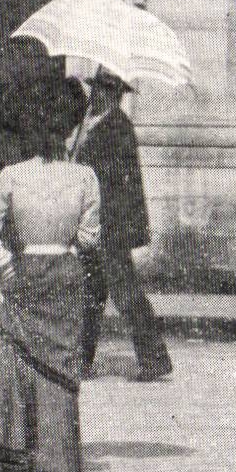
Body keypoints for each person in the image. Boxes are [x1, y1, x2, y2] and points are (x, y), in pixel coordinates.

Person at [0, 75, 101, 472]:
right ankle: (55, 465)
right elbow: (89, 238)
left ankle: (16, 458)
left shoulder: (12, 176)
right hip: (66, 275)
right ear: (70, 127)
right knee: (59, 369)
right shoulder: (85, 177)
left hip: (28, 270)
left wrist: (5, 270)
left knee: (17, 359)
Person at [71, 69, 172, 383]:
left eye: (108, 91)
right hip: (96, 223)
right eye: (98, 88)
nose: (99, 95)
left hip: (111, 224)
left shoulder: (119, 127)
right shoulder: (90, 124)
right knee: (92, 293)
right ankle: (81, 360)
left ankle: (154, 359)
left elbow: (117, 184)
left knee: (125, 293)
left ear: (117, 96)